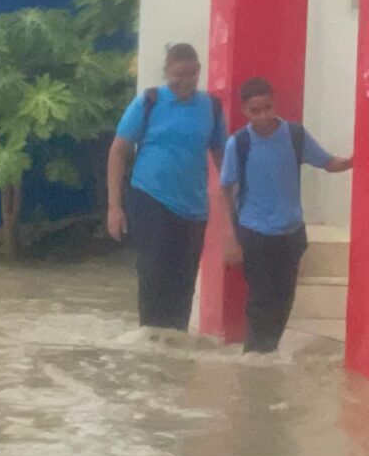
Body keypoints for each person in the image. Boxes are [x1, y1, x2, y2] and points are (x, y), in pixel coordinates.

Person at [220, 78, 353, 354]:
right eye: (256, 110)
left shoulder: (295, 135)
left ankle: (267, 352)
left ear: (275, 104)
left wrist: (354, 160)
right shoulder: (239, 143)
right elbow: (224, 188)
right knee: (260, 297)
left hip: (290, 231)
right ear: (245, 110)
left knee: (284, 297)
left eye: (268, 108)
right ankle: (256, 357)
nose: (263, 116)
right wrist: (230, 237)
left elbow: (328, 163)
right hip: (254, 231)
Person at [107, 43, 227, 331]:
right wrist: (114, 207)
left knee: (184, 282)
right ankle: (150, 344)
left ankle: (175, 350)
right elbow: (118, 152)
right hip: (151, 199)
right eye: (177, 75)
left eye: (191, 74)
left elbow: (222, 157)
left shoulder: (210, 106)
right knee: (154, 276)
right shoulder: (148, 101)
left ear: (199, 71)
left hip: (194, 208)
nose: (184, 81)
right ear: (166, 73)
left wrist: (231, 207)